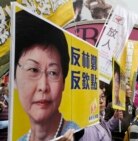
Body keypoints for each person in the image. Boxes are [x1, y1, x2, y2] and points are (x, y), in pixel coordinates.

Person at [15, 10, 79, 141]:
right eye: (33, 70)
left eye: (53, 72)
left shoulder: (80, 135)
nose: (43, 86)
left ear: (63, 83)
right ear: (14, 79)